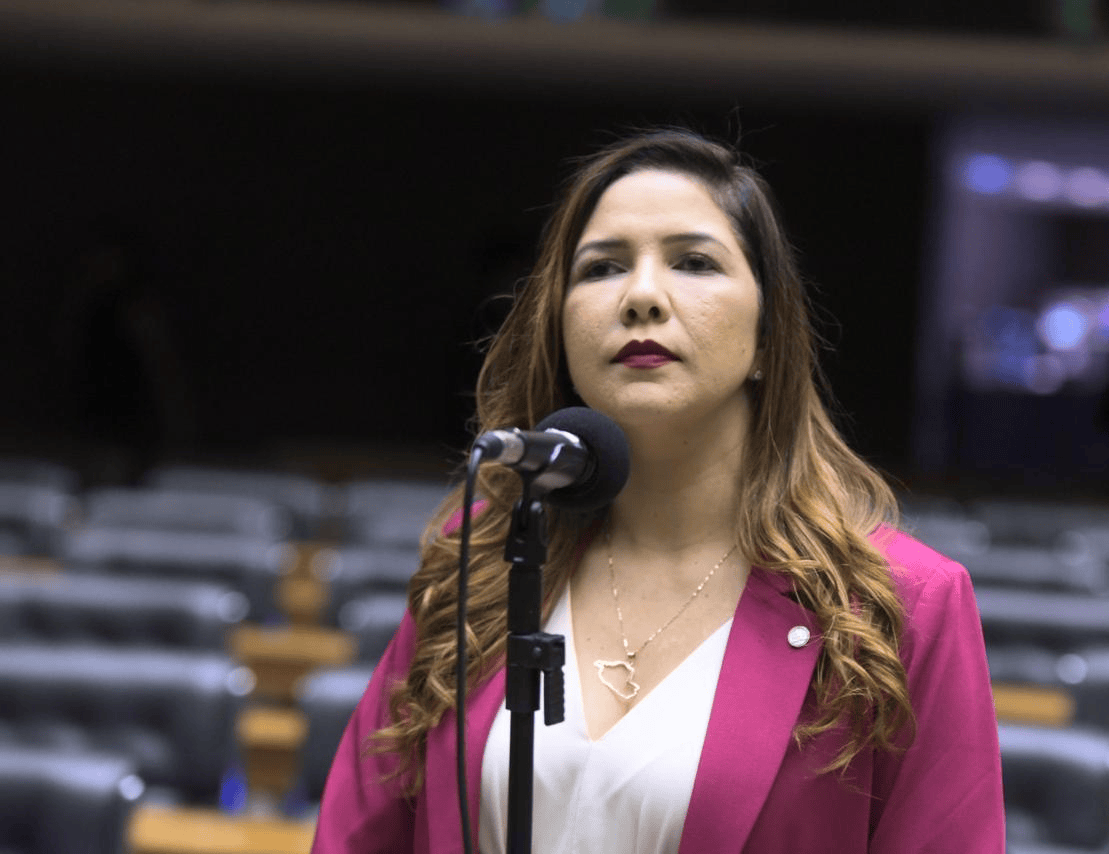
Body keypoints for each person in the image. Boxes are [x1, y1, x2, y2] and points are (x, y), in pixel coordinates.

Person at [312, 128, 1005, 852]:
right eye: (603, 268)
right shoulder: (485, 559)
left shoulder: (902, 608)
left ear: (769, 336)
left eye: (694, 262)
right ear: (561, 329)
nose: (642, 295)